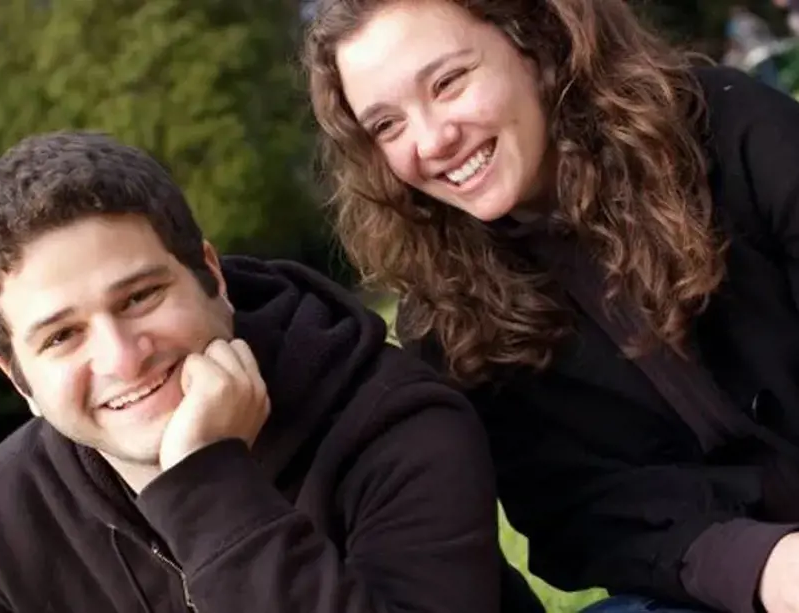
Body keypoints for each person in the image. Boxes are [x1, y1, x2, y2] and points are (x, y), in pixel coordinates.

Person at [304, 1, 799, 612]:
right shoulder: (446, 318)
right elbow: (573, 511)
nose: (432, 141)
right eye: (386, 125)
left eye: (448, 81)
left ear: (533, 46)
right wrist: (762, 567)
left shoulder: (730, 128)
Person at [0, 130, 509, 613]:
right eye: (62, 336)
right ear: (19, 380)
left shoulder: (400, 424)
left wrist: (209, 486)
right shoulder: (3, 527)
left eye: (140, 297)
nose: (122, 357)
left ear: (211, 277)